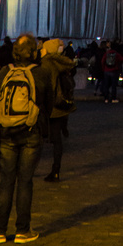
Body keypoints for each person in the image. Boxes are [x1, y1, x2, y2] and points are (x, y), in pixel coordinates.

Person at [0, 33, 54, 244]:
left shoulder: (4, 72)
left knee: (6, 181)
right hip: (30, 132)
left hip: (5, 132)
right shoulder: (40, 73)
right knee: (25, 181)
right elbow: (49, 103)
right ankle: (22, 231)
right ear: (34, 53)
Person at [39, 38, 76, 182]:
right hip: (60, 106)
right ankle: (56, 169)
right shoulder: (61, 62)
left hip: (49, 106)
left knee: (40, 138)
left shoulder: (47, 63)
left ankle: (28, 168)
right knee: (57, 140)